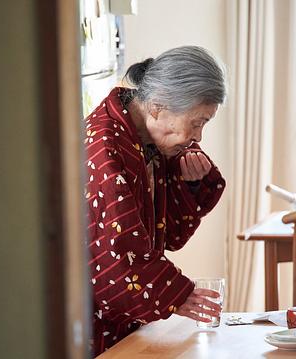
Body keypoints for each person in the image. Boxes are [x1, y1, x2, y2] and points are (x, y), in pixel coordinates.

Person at [84, 45, 227, 356]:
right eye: (197, 121)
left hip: (125, 324)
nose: (199, 137)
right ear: (159, 107)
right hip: (89, 321)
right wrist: (175, 293)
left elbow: (169, 235)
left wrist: (189, 184)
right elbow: (116, 250)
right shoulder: (105, 149)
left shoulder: (149, 139)